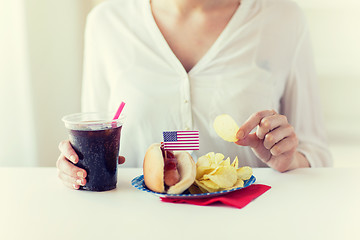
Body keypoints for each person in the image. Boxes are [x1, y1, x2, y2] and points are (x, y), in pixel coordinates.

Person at [57, 0, 332, 189]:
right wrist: (78, 167)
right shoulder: (107, 23)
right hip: (138, 224)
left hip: (250, 224)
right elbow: (94, 133)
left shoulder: (283, 20)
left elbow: (316, 152)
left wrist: (290, 160)